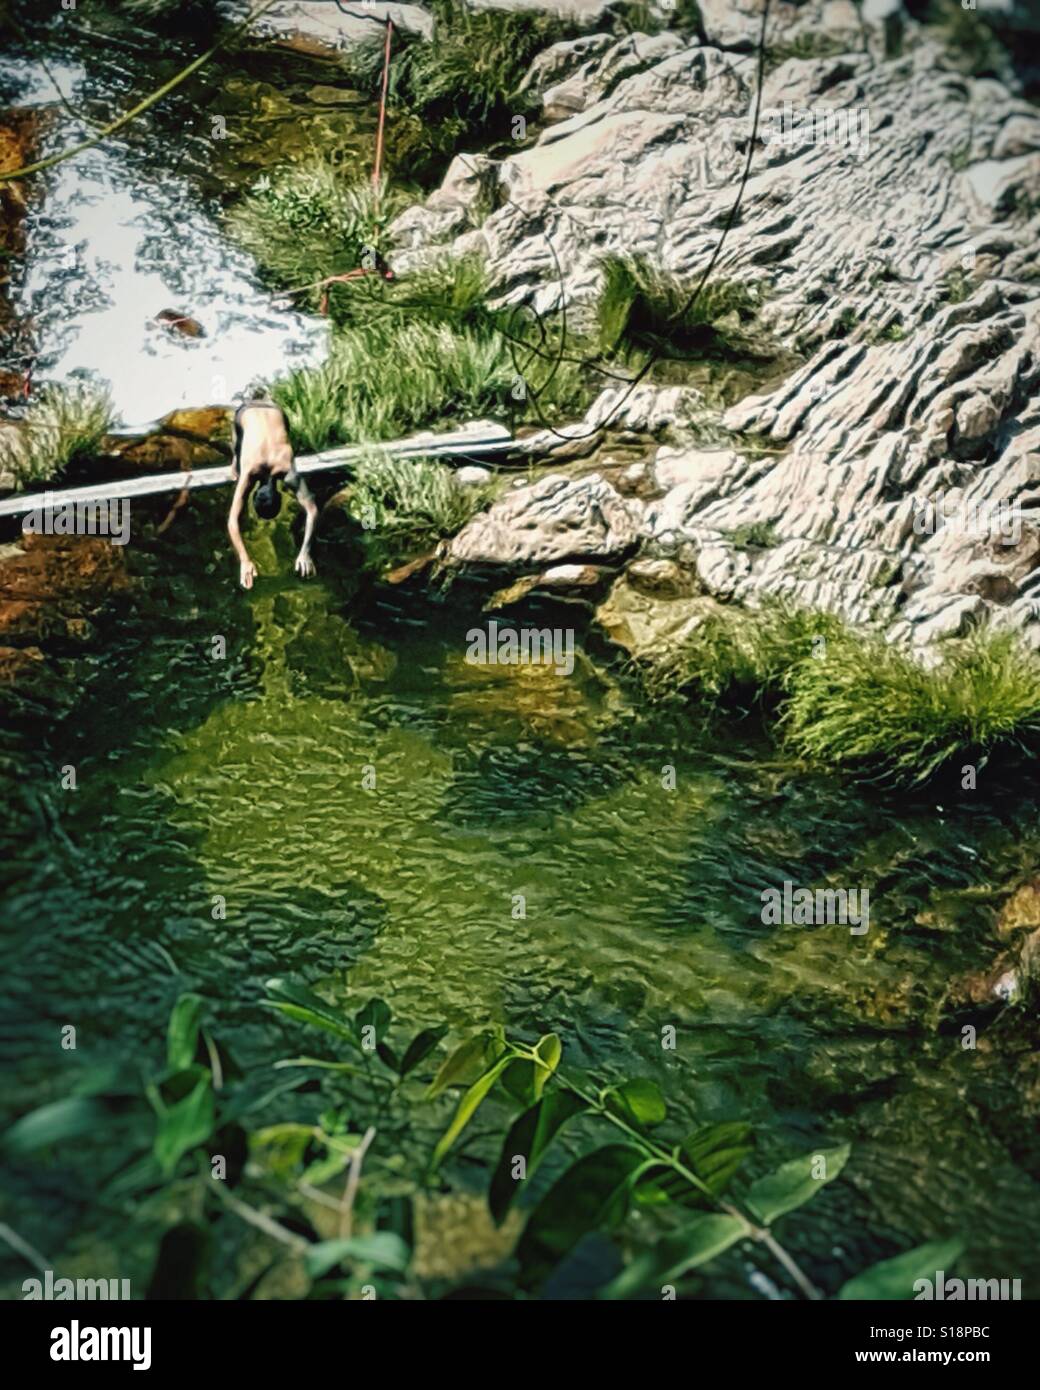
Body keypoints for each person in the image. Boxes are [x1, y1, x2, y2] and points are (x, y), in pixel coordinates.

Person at [226, 400, 318, 590]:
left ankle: (235, 457)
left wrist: (305, 552)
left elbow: (313, 511)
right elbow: (232, 522)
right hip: (246, 411)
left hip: (277, 409)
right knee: (239, 441)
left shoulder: (286, 470)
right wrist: (244, 559)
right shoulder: (249, 472)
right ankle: (235, 458)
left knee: (242, 444)